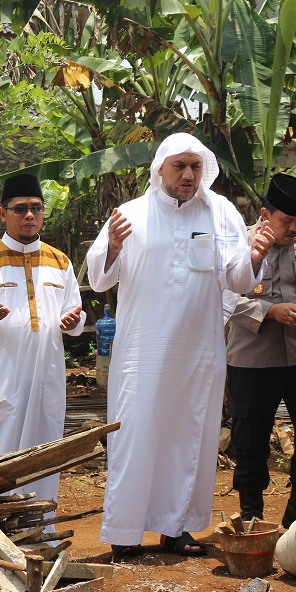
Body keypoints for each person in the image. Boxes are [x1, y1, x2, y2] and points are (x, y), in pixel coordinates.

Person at [86, 132, 274, 558]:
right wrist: (113, 248)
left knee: (190, 437)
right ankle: (126, 532)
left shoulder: (220, 211)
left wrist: (256, 255)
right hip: (142, 355)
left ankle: (178, 529)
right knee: (136, 436)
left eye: (195, 166)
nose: (189, 175)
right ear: (160, 169)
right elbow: (98, 280)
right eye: (180, 166)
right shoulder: (130, 214)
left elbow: (239, 280)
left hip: (197, 355)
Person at [0, 174, 84, 506]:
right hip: (0, 378)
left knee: (44, 450)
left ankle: (43, 531)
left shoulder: (59, 261)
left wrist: (73, 321)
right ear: (2, 213)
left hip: (45, 378)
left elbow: (76, 312)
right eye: (20, 208)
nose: (29, 215)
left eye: (36, 208)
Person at [225, 173, 296, 528]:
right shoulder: (238, 244)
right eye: (287, 220)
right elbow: (224, 300)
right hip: (253, 360)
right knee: (250, 442)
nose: (294, 227)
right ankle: (251, 511)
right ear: (265, 215)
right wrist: (270, 311)